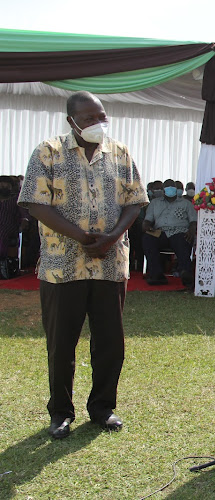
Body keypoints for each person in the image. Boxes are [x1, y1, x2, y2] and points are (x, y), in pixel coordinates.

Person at [17, 91, 148, 438]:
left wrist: (110, 238)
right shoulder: (48, 151)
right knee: (62, 343)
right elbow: (36, 204)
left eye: (100, 115)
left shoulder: (120, 152)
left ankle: (102, 408)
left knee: (110, 341)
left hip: (110, 263)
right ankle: (60, 412)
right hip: (63, 264)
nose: (97, 123)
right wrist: (82, 237)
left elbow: (135, 201)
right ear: (71, 120)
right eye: (88, 118)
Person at [142, 178, 196, 286]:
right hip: (160, 232)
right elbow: (148, 220)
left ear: (176, 189)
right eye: (167, 187)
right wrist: (146, 226)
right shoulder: (154, 203)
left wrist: (191, 231)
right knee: (147, 239)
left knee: (183, 241)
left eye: (172, 187)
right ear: (163, 190)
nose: (170, 189)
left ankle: (185, 273)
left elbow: (193, 221)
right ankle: (156, 275)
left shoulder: (186, 204)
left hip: (179, 232)